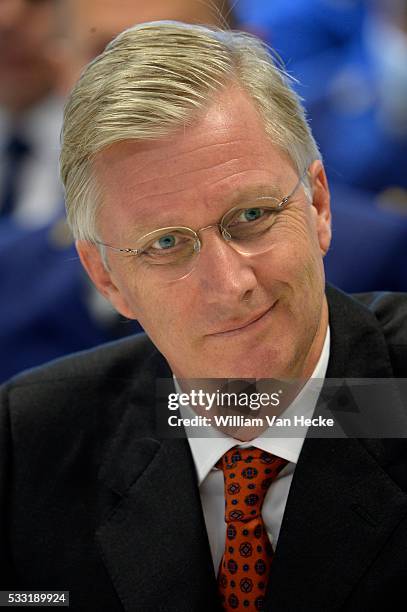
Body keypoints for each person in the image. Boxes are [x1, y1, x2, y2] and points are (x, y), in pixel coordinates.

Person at [1, 21, 407, 612]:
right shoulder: (32, 444)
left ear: (319, 205)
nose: (229, 284)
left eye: (252, 215)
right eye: (166, 244)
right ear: (107, 277)